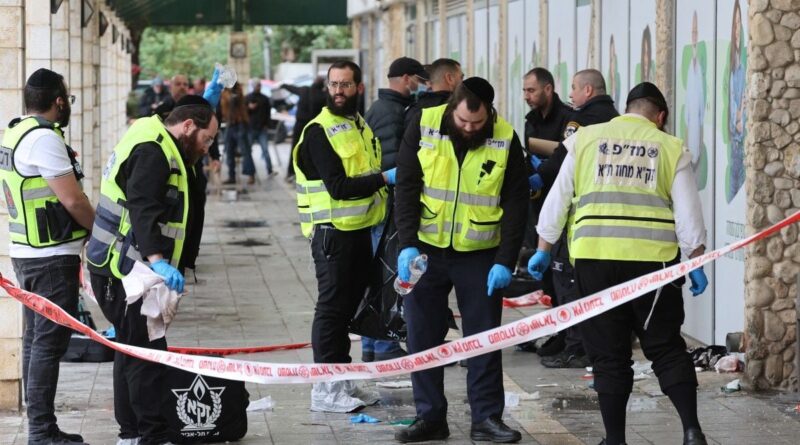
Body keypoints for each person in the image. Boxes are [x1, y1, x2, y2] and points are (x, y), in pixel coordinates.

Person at [529, 82, 709, 445]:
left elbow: (559, 196)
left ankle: (614, 440)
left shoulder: (586, 138)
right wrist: (696, 259)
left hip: (594, 262)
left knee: (609, 354)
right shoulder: (670, 147)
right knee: (665, 347)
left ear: (628, 108)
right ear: (660, 117)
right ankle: (691, 431)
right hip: (652, 266)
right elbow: (689, 214)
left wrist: (543, 247)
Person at [394, 78, 527, 443]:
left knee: (483, 338)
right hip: (425, 250)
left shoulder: (504, 137)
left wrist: (505, 259)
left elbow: (516, 204)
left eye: (477, 123)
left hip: (480, 255)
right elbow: (406, 184)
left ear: (490, 113)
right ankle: (430, 417)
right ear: (453, 107)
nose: (469, 129)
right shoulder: (423, 123)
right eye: (464, 121)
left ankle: (485, 420)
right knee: (422, 335)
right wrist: (406, 244)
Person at [86, 93, 220, 445]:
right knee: (148, 352)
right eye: (207, 139)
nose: (207, 148)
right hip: (127, 271)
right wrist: (158, 262)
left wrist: (208, 101)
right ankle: (150, 435)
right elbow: (143, 206)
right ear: (188, 127)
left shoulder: (159, 134)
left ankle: (130, 432)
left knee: (132, 349)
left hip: (125, 267)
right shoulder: (153, 151)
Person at [293, 60, 395, 413]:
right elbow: (338, 187)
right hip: (332, 235)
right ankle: (325, 387)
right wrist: (385, 179)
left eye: (345, 85)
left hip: (358, 232)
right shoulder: (319, 131)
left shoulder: (358, 125)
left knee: (349, 308)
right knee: (332, 310)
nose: (338, 91)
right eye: (333, 85)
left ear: (359, 88)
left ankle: (342, 379)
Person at [0, 68, 95, 445]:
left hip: (31, 252)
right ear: (58, 101)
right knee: (48, 342)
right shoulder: (44, 140)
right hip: (50, 256)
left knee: (37, 339)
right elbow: (73, 199)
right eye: (67, 100)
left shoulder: (16, 131)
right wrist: (103, 235)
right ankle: (41, 432)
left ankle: (43, 428)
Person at [530, 69, 620, 368]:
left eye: (574, 88)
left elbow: (562, 162)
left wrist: (538, 177)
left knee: (569, 282)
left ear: (588, 91)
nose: (570, 95)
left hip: (577, 216)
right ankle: (575, 341)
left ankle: (575, 346)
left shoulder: (579, 121)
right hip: (607, 217)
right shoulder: (615, 119)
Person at [359, 57, 428, 361]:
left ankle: (371, 345)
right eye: (417, 79)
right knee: (387, 277)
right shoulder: (391, 112)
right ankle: (384, 345)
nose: (420, 86)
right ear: (404, 78)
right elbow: (393, 163)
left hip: (381, 205)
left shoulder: (383, 107)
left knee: (377, 276)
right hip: (387, 207)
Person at [512, 67, 573, 355]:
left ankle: (570, 335)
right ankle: (556, 330)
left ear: (548, 89)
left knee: (563, 274)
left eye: (531, 90)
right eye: (524, 90)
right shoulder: (530, 121)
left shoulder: (568, 119)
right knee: (546, 276)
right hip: (539, 205)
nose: (526, 96)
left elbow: (569, 157)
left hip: (562, 205)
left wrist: (546, 168)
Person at [282, 76, 327, 182]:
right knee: (311, 150)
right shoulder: (323, 95)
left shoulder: (304, 90)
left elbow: (291, 88)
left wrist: (283, 85)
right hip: (313, 126)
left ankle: (291, 172)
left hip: (299, 125)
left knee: (295, 148)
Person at [403, 58, 463, 128]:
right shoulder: (459, 110)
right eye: (461, 77)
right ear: (449, 78)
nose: (463, 82)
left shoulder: (414, 110)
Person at [727, 0, 746, 203]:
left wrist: (740, 114)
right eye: (735, 23)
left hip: (741, 144)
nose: (738, 29)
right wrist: (739, 113)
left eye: (740, 23)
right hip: (736, 146)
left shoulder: (743, 64)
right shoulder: (734, 67)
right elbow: (736, 118)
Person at [685, 11, 706, 183]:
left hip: (697, 125)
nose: (694, 35)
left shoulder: (700, 65)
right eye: (692, 32)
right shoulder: (690, 66)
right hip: (690, 123)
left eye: (695, 32)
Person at [220, 82, 254, 184]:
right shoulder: (225, 92)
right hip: (230, 124)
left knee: (245, 151)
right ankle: (232, 177)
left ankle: (250, 175)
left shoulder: (237, 91)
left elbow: (235, 99)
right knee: (228, 151)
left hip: (240, 124)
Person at [246, 79, 276, 177]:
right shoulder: (247, 98)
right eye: (256, 85)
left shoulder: (265, 99)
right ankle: (251, 173)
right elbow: (243, 113)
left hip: (262, 128)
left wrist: (267, 125)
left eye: (259, 85)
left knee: (265, 150)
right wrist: (249, 108)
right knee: (248, 151)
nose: (258, 87)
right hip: (250, 128)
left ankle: (270, 170)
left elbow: (268, 113)